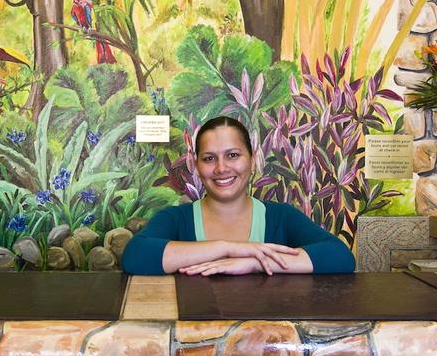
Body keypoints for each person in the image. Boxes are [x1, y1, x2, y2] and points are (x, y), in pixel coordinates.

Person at [121, 116, 355, 276]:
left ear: (252, 161)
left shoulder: (281, 217)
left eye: (233, 155)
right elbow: (135, 256)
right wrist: (227, 248)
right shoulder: (176, 219)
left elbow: (340, 256)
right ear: (196, 166)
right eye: (209, 158)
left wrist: (255, 263)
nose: (221, 168)